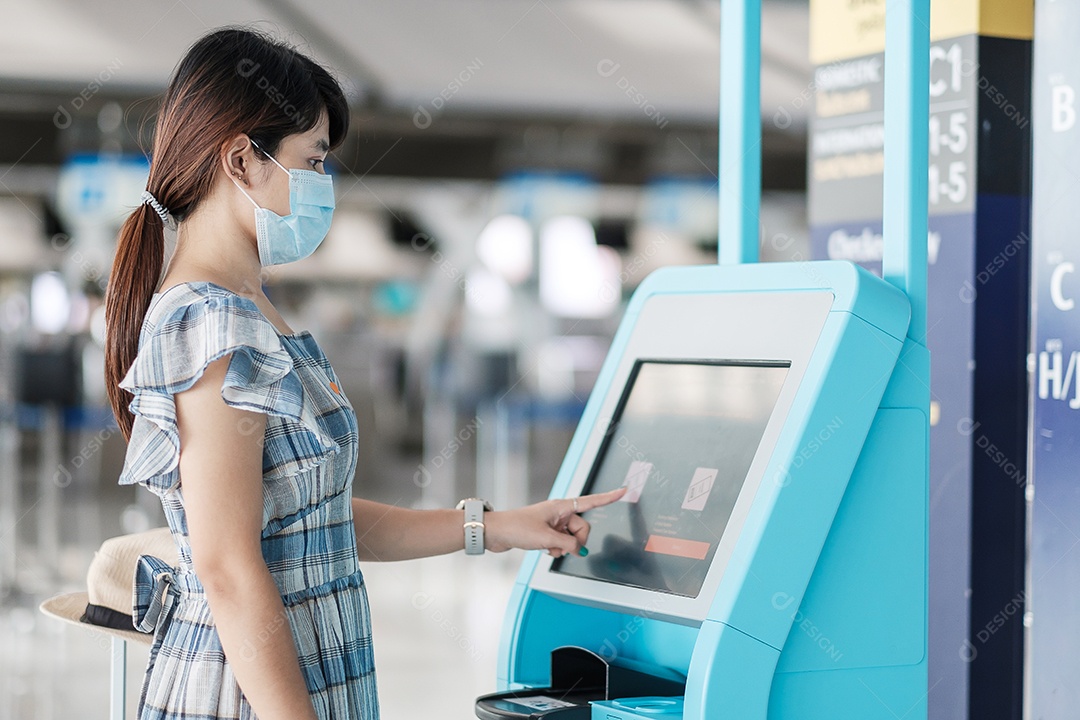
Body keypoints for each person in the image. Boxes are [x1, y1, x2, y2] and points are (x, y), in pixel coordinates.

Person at [104, 27, 624, 720]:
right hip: (247, 696)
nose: (323, 185)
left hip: (309, 675)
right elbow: (228, 569)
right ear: (239, 160)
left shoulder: (256, 309)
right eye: (312, 161)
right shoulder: (208, 323)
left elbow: (313, 525)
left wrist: (498, 525)